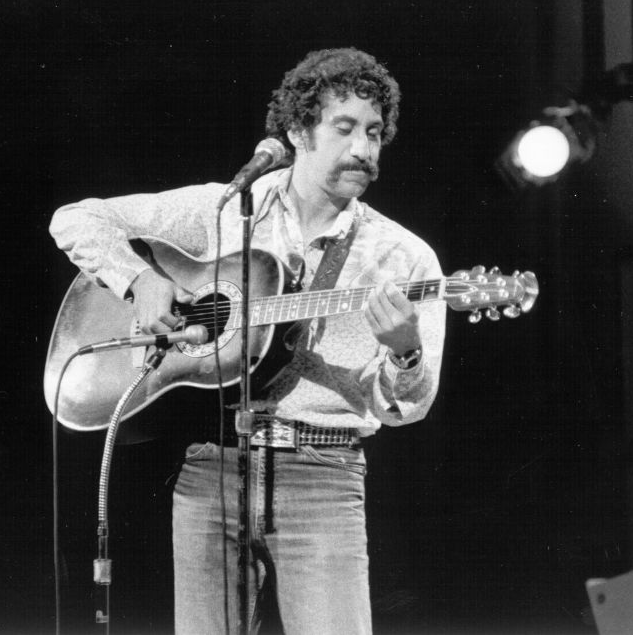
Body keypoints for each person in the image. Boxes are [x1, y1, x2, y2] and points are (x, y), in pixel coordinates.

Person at [49, 47, 446, 635]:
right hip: (211, 469)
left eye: (374, 132)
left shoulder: (403, 258)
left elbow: (406, 407)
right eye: (345, 129)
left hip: (324, 476)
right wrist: (139, 281)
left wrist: (404, 352)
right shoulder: (226, 210)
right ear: (296, 131)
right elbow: (75, 218)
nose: (364, 148)